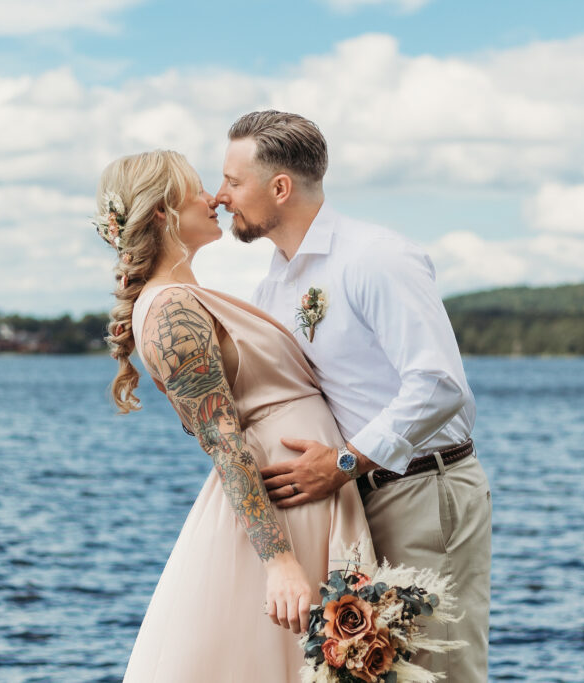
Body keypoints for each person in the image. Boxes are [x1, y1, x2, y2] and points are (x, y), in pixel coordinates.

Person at [216, 110, 493, 681]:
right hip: (350, 503)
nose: (221, 196)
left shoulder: (375, 258)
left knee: (440, 667)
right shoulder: (274, 283)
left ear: (280, 187)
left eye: (233, 181)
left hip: (421, 491)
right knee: (374, 674)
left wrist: (343, 463)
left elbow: (439, 385)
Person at [93, 150, 374, 682]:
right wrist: (280, 563)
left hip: (304, 495)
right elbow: (223, 440)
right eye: (198, 187)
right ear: (161, 211)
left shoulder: (192, 297)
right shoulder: (172, 310)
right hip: (280, 512)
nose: (214, 197)